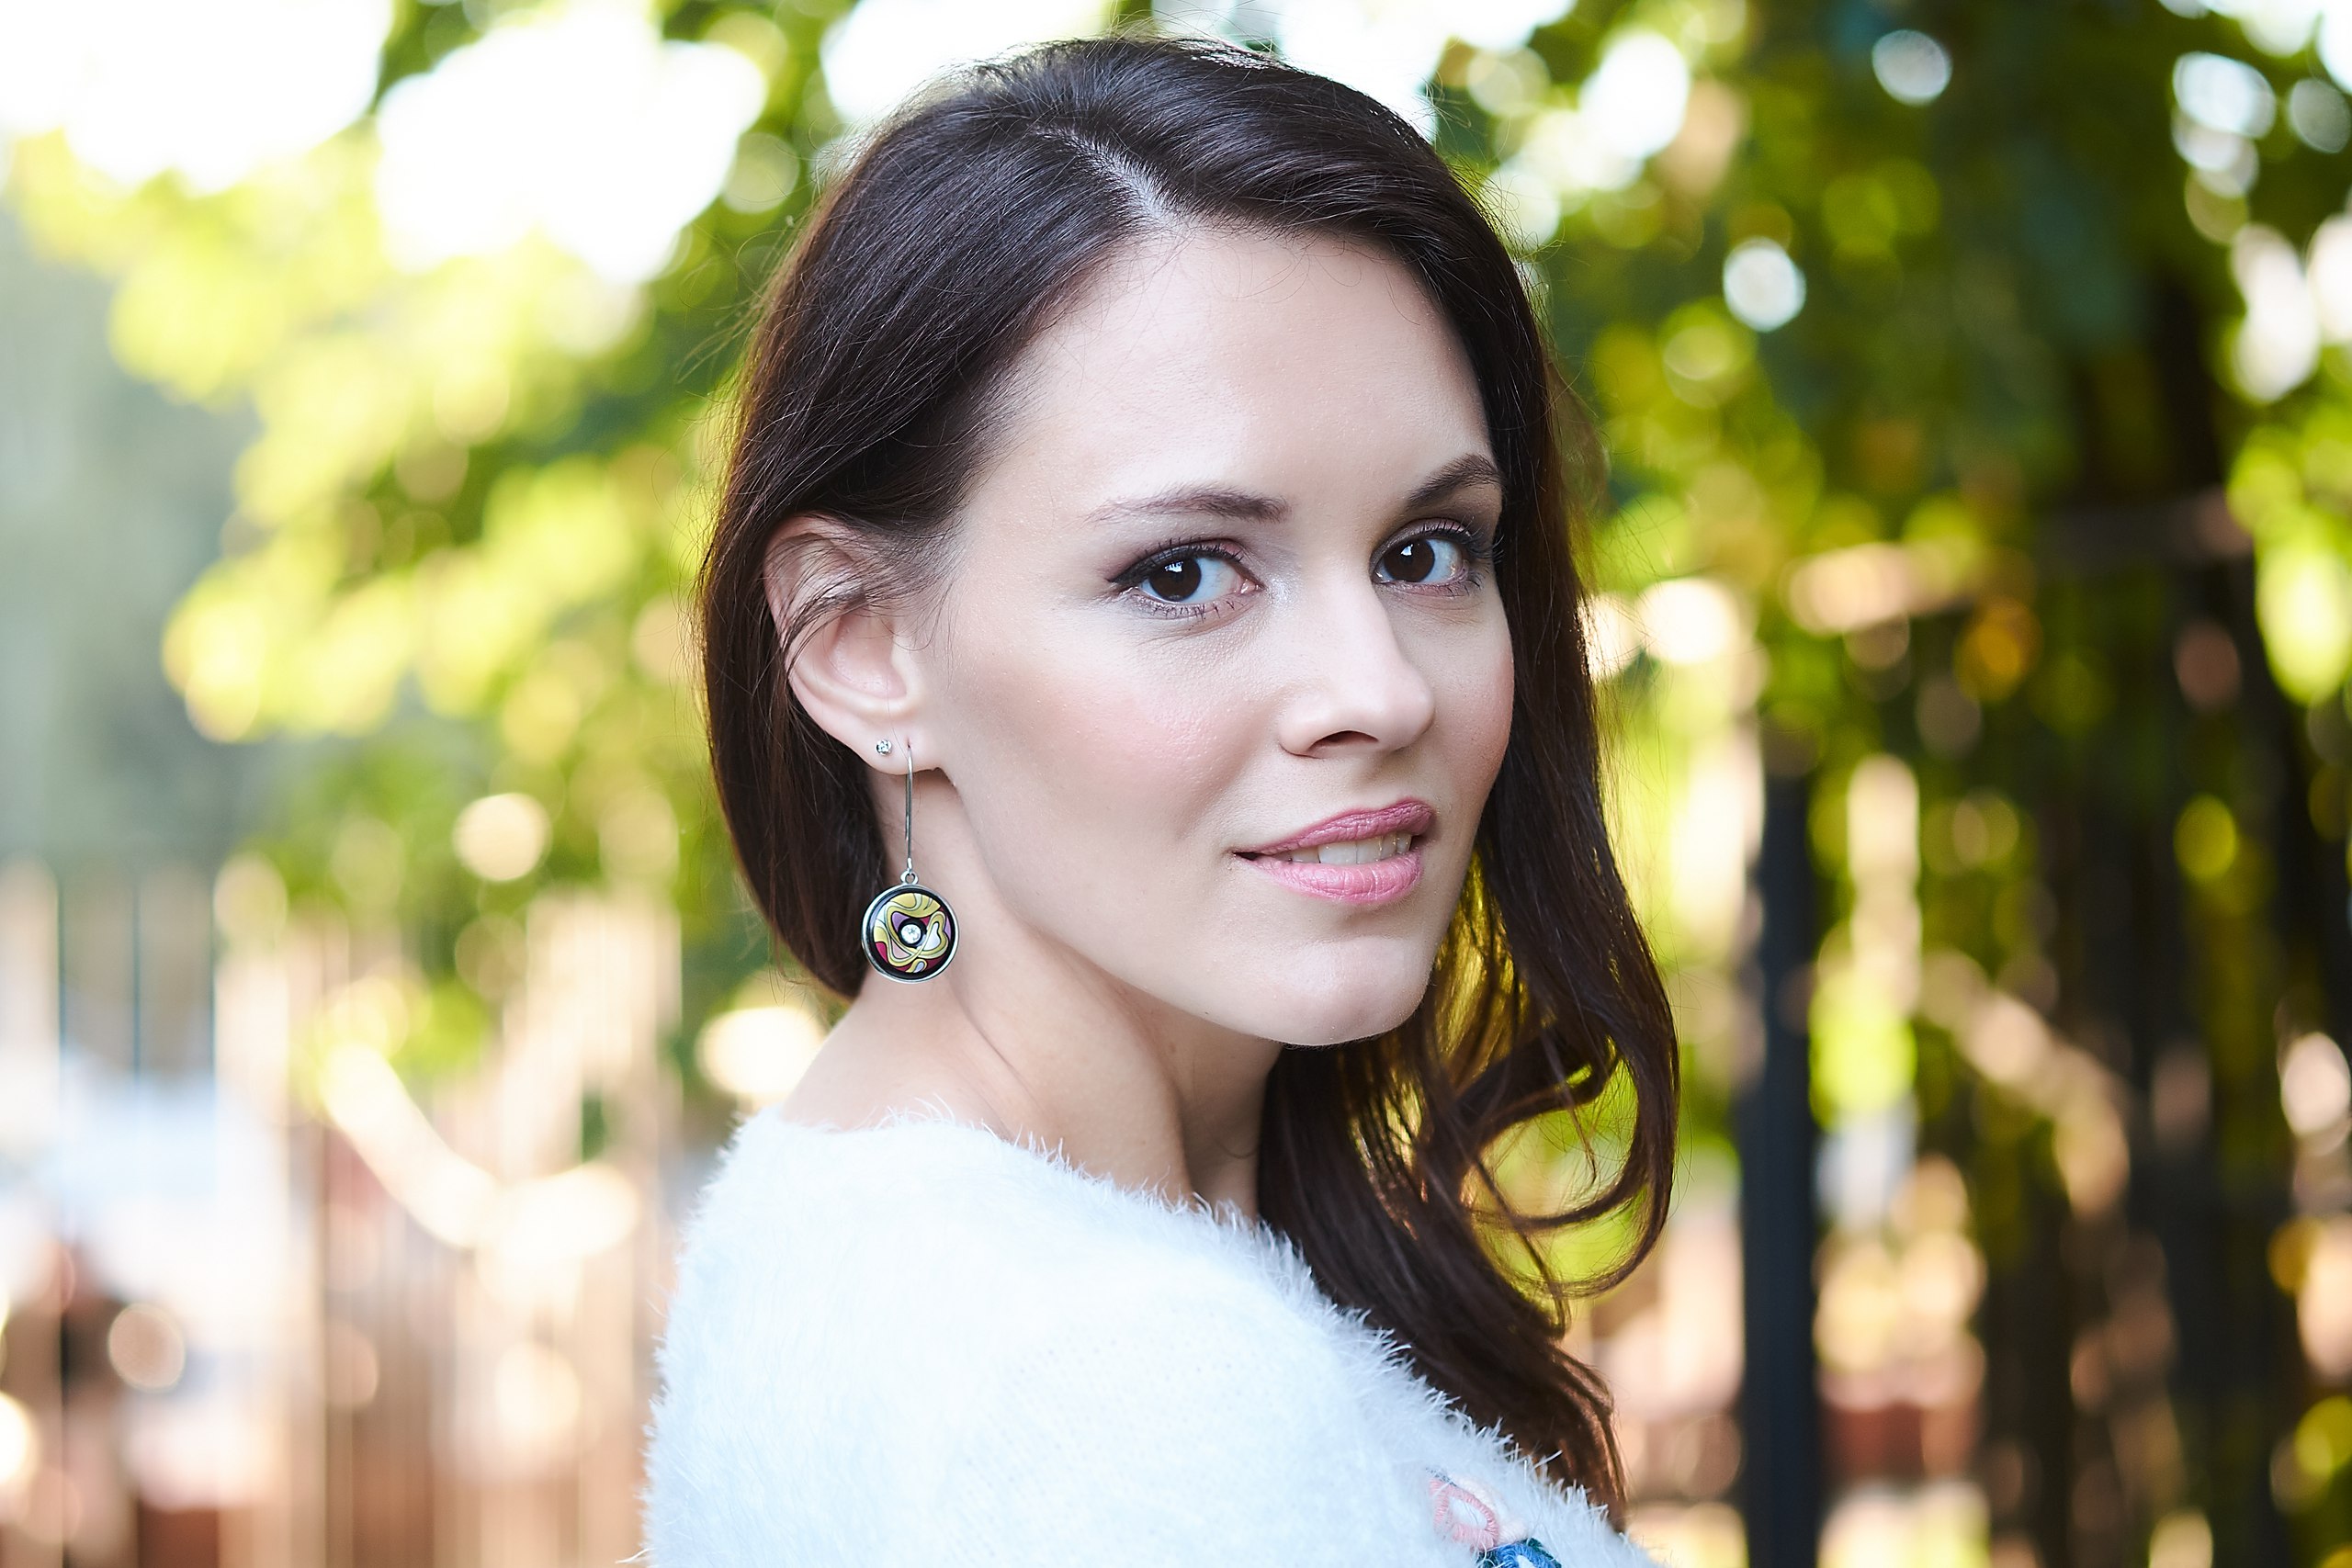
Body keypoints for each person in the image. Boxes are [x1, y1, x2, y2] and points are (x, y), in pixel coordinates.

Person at [643, 32, 1678, 1567]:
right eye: (1185, 574)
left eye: (1426, 553)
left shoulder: (936, 1263)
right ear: (863, 647)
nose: (1381, 690)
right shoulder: (1096, 1388)